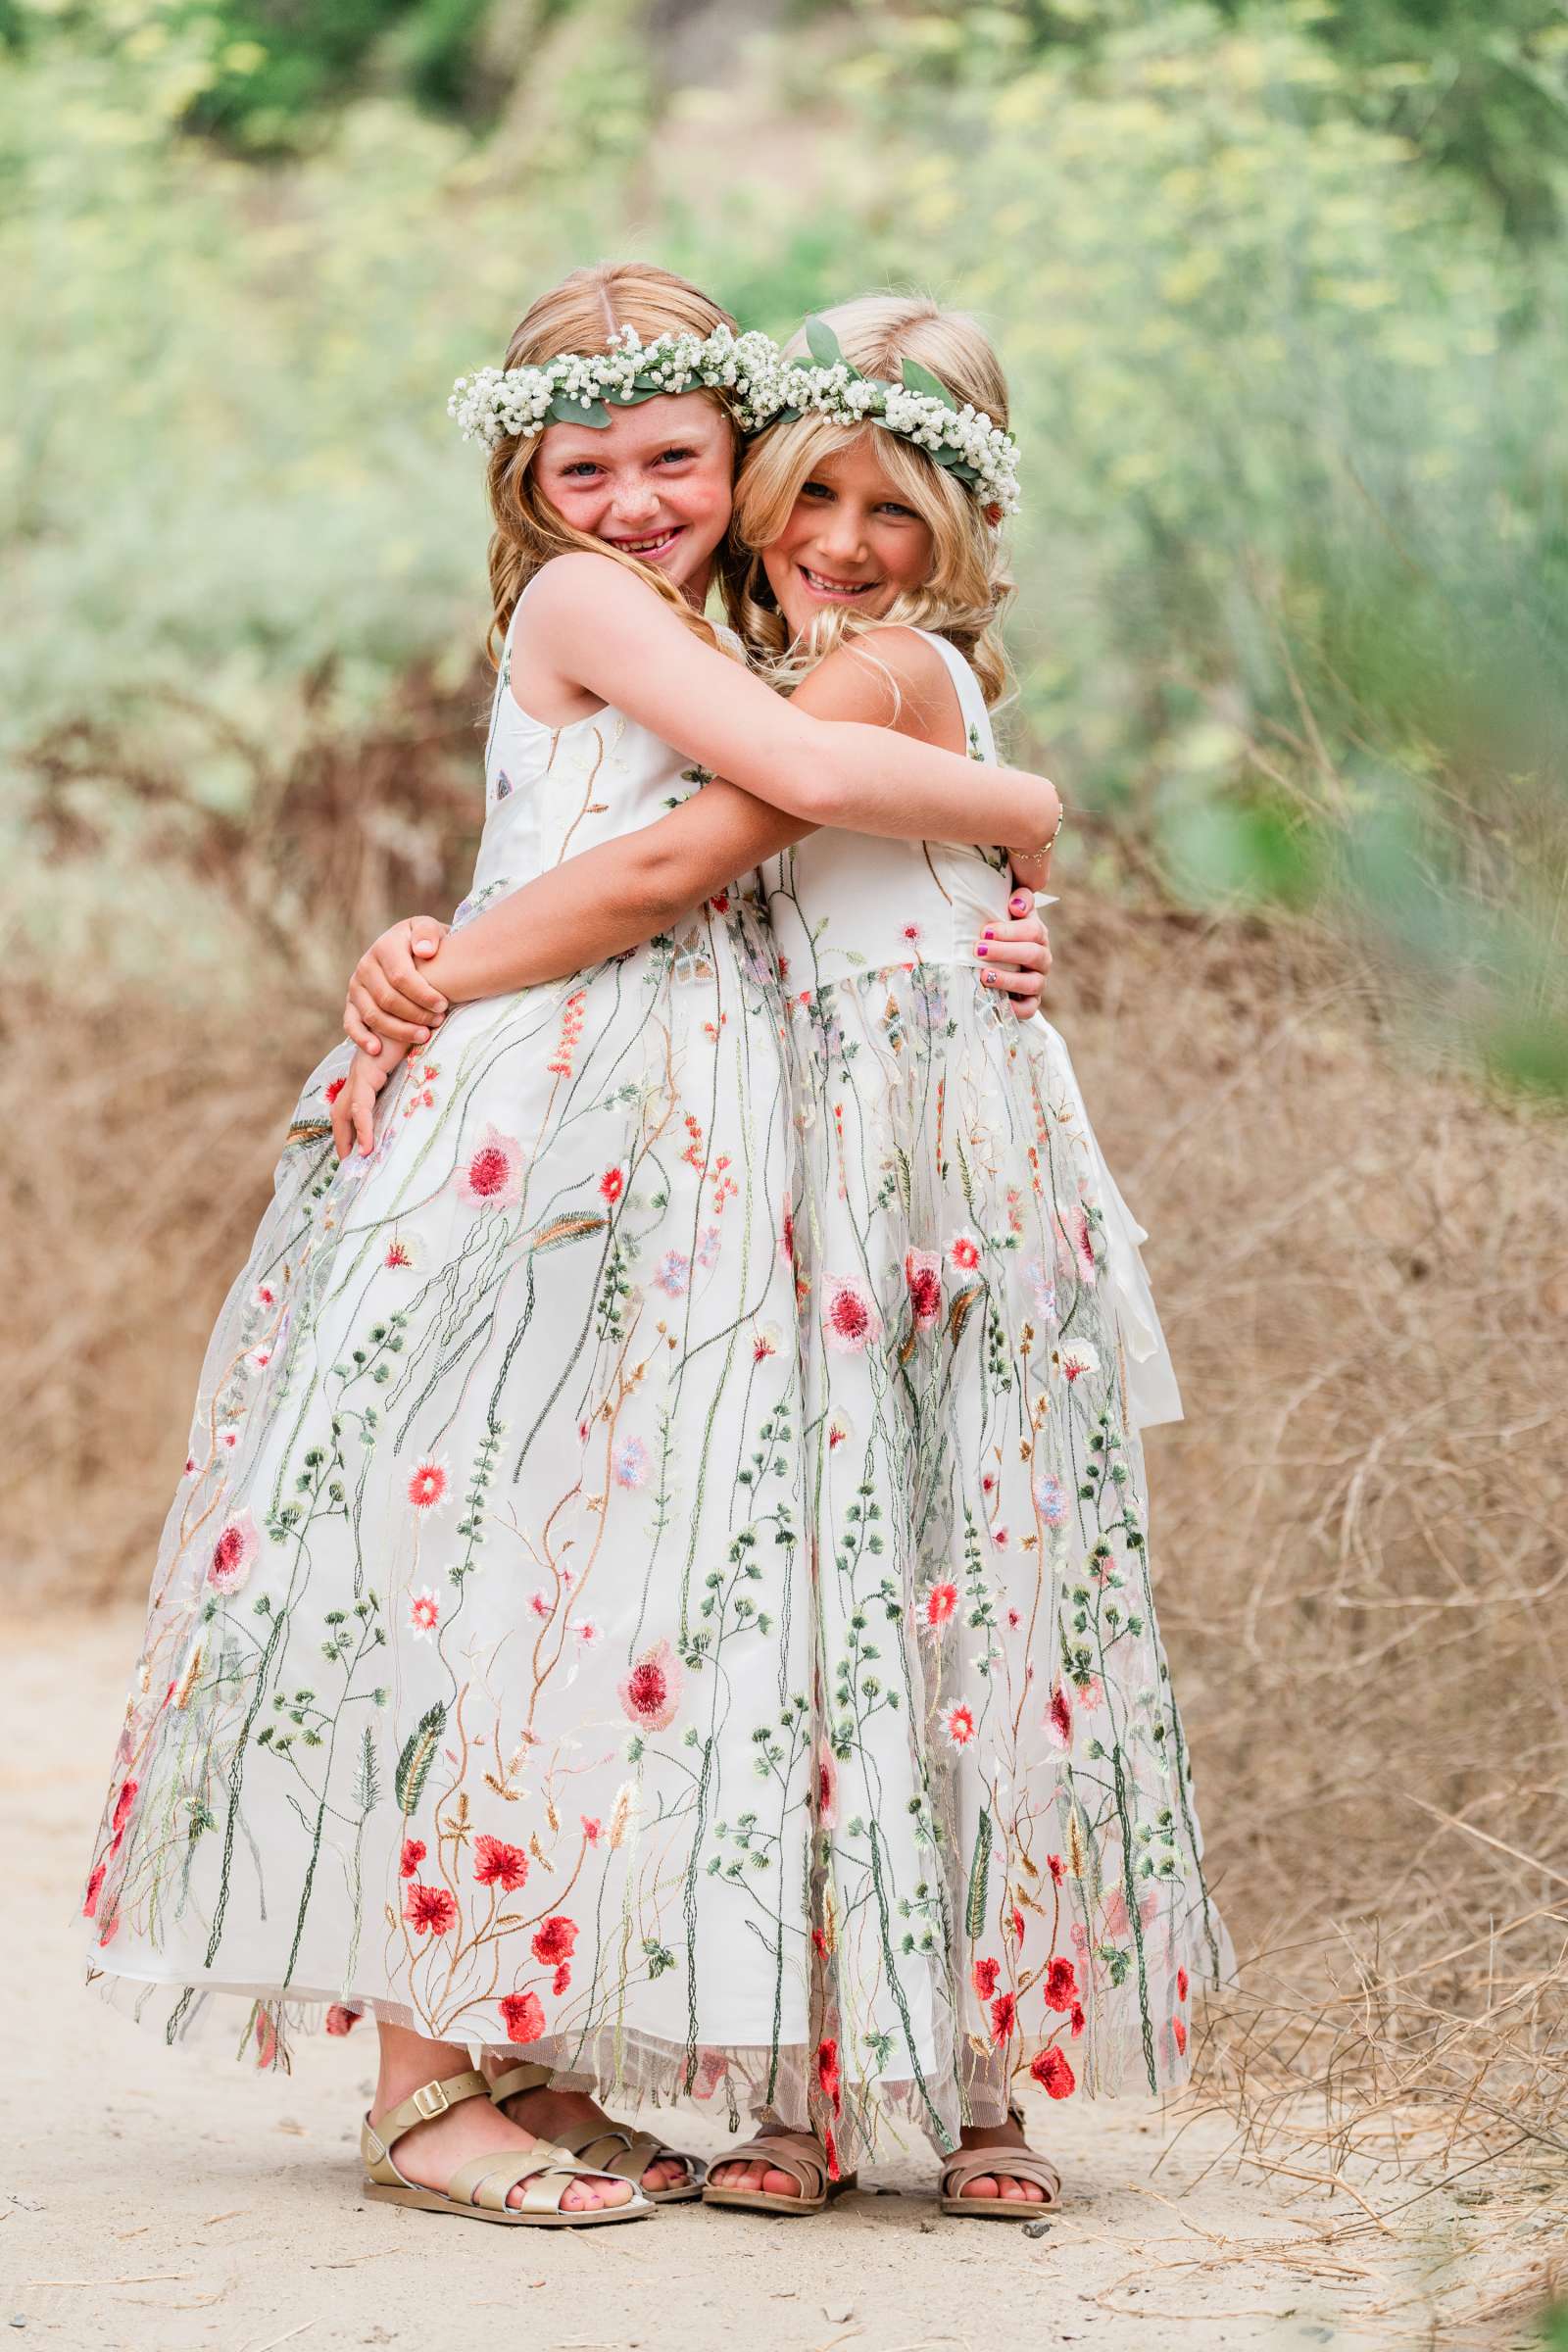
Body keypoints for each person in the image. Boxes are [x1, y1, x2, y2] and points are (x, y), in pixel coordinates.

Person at [81, 262, 1061, 2231]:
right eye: (583, 464)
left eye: (673, 458)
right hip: (541, 1115)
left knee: (583, 1575)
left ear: (735, 447)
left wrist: (1000, 911)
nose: (632, 496)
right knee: (454, 1559)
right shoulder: (590, 600)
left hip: (671, 1119)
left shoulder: (720, 612)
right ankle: (419, 2089)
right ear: (527, 486)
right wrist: (1037, 801)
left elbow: (768, 860)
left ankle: (511, 2044)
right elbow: (753, 805)